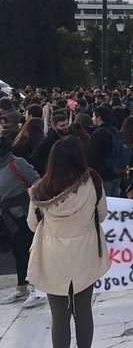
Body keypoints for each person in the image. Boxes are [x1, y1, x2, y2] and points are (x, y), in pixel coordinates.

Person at [27, 136, 111, 347]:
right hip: (85, 252)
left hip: (52, 255)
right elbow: (101, 215)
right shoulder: (92, 181)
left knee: (59, 317)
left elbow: (32, 224)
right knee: (83, 312)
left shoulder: (40, 189)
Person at [0, 136, 42, 308]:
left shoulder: (17, 163)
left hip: (25, 213)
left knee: (30, 250)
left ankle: (37, 288)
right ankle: (22, 286)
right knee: (18, 251)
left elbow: (36, 181)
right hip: (8, 217)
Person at [87, 105, 124, 198]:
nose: (92, 118)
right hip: (117, 173)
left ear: (99, 118)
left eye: (94, 116)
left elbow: (93, 157)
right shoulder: (115, 130)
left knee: (105, 203)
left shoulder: (98, 133)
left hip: (104, 176)